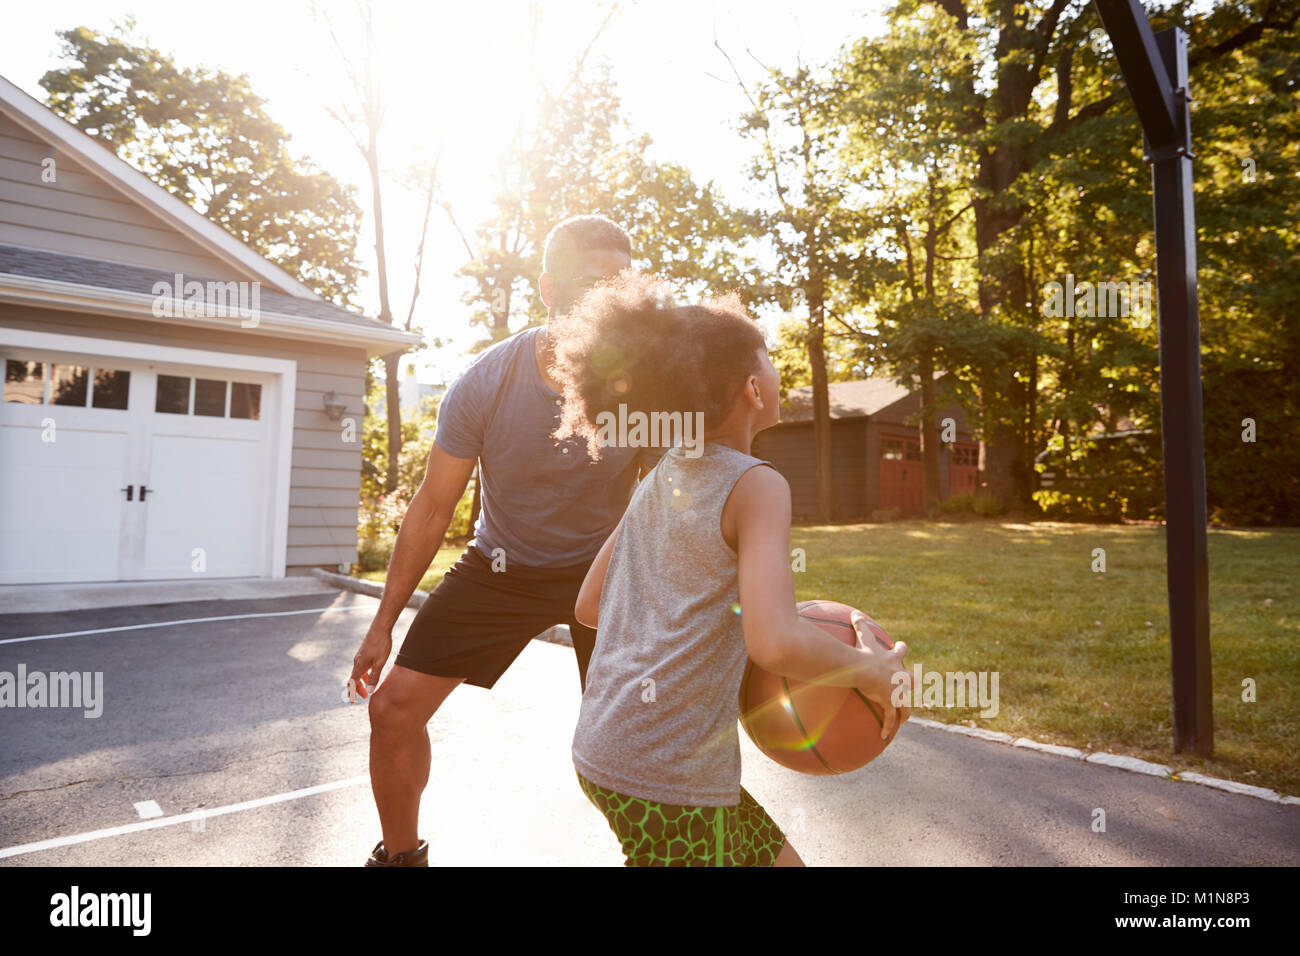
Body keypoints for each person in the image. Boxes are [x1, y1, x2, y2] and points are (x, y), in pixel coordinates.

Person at [548, 271, 913, 866]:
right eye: (768, 360)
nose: (774, 371)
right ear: (751, 387)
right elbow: (773, 642)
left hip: (609, 750)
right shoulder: (757, 484)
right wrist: (867, 672)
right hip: (669, 775)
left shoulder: (660, 475)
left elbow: (589, 605)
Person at [348, 215, 661, 866]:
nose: (605, 298)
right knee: (394, 711)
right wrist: (382, 624)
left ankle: (656, 855)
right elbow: (434, 507)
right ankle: (401, 858)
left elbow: (677, 496)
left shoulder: (642, 385)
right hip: (502, 566)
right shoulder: (487, 382)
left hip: (602, 571)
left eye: (617, 284)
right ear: (548, 289)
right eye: (588, 283)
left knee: (635, 736)